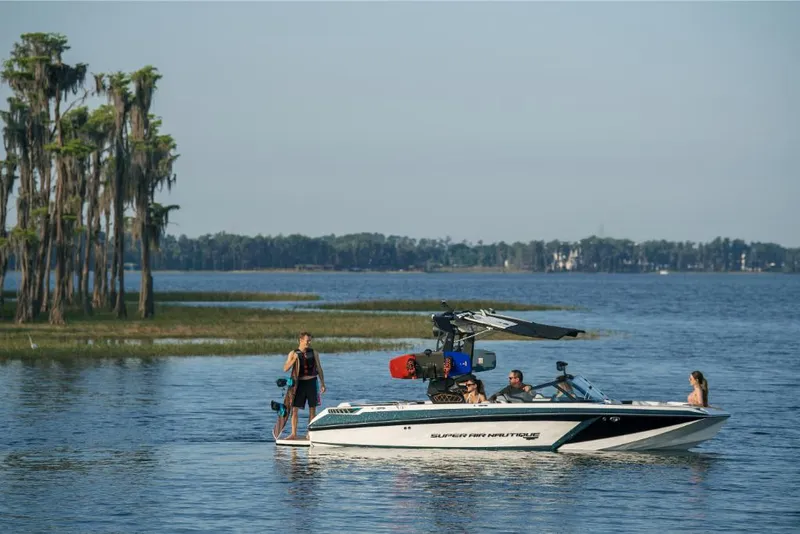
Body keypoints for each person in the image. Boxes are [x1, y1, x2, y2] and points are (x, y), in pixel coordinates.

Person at [283, 331, 326, 439]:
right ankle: (293, 434)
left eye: (310, 340)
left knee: (312, 409)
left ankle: (309, 434)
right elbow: (285, 368)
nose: (309, 342)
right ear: (301, 340)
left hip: (312, 383)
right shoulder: (293, 353)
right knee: (294, 409)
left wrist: (322, 383)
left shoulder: (314, 352)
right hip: (299, 384)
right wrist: (294, 359)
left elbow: (319, 368)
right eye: (307, 340)